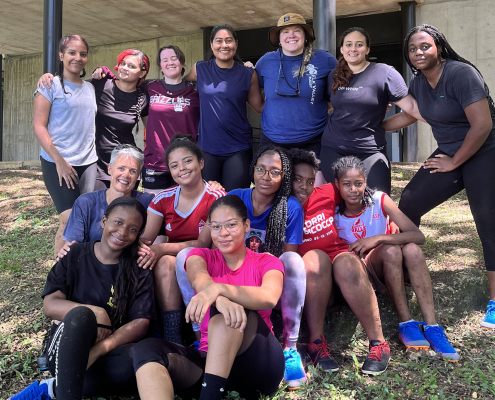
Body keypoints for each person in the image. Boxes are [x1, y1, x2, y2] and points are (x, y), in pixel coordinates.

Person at [382, 24, 495, 329]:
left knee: (488, 221)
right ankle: (406, 271)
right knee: (410, 201)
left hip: (484, 152)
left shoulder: (461, 74)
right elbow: (411, 114)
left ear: (439, 47)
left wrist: (455, 161)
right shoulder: (418, 82)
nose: (418, 52)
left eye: (425, 46)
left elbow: (482, 125)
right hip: (450, 153)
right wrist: (374, 126)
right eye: (412, 49)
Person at [174, 145, 308, 389]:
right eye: (261, 169)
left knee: (294, 262)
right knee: (185, 256)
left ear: (283, 177)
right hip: (228, 274)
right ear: (252, 170)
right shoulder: (235, 197)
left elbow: (286, 259)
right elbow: (204, 244)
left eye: (274, 172)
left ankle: (290, 347)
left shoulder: (291, 207)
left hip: (265, 276)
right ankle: (199, 337)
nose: (266, 177)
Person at [131, 195, 285, 400]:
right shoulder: (199, 256)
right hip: (210, 363)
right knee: (147, 349)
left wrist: (219, 291)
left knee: (230, 310)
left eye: (231, 225)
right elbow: (199, 279)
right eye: (216, 227)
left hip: (258, 363)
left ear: (247, 225)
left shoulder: (266, 261)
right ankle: (210, 390)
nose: (223, 233)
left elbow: (269, 297)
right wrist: (217, 295)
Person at [8, 197, 155, 400]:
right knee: (81, 316)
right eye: (118, 222)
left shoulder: (138, 267)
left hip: (107, 352)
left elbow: (141, 322)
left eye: (132, 229)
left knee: (143, 360)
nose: (122, 232)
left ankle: (54, 388)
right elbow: (50, 305)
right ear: (104, 221)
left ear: (139, 234)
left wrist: (99, 350)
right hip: (65, 347)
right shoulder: (74, 253)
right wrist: (95, 312)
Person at [333, 156, 459, 361]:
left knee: (413, 251)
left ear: (365, 181)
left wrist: (378, 238)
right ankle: (405, 323)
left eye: (358, 183)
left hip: (389, 265)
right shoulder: (334, 213)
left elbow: (418, 236)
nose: (353, 190)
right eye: (346, 184)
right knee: (392, 250)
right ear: (337, 185)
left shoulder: (379, 200)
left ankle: (433, 327)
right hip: (362, 275)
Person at [289, 148, 392, 376]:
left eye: (309, 181)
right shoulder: (281, 207)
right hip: (315, 278)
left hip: (346, 269)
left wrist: (388, 220)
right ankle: (316, 344)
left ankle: (379, 344)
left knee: (345, 262)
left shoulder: (327, 192)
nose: (304, 187)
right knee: (315, 259)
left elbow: (357, 192)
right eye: (297, 179)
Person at [140, 135, 226, 343]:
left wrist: (162, 249)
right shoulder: (163, 198)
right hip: (178, 256)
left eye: (188, 161)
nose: (182, 169)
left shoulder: (215, 196)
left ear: (201, 163)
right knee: (164, 261)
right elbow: (146, 239)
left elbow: (202, 244)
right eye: (174, 165)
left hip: (210, 259)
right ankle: (173, 335)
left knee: (181, 255)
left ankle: (199, 329)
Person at [319, 27, 424, 194]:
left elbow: (412, 110)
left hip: (370, 150)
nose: (353, 49)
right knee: (340, 203)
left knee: (378, 203)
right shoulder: (334, 75)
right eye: (348, 44)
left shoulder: (384, 73)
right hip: (333, 148)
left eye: (359, 44)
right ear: (341, 49)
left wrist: (381, 125)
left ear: (367, 49)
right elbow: (327, 106)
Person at [38, 49, 150, 191]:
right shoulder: (100, 85)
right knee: (96, 208)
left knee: (123, 209)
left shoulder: (144, 97)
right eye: (123, 64)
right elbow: (71, 86)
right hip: (96, 161)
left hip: (126, 162)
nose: (125, 68)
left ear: (141, 73)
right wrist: (50, 78)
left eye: (132, 66)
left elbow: (151, 132)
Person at [94, 45, 200, 194]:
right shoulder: (150, 86)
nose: (170, 62)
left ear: (182, 63)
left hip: (186, 162)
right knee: (155, 213)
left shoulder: (195, 89)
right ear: (160, 67)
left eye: (174, 59)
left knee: (186, 213)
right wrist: (105, 72)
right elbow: (127, 79)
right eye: (165, 60)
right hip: (155, 162)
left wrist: (244, 68)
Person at [255, 13, 338, 186]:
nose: (291, 35)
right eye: (285, 32)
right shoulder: (265, 62)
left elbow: (338, 94)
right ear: (279, 38)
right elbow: (255, 91)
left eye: (296, 31)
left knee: (313, 195)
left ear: (305, 36)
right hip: (273, 142)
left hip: (314, 141)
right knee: (272, 195)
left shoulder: (325, 60)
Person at [33, 35, 98, 256]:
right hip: (57, 161)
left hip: (88, 162)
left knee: (84, 219)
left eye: (82, 54)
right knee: (68, 218)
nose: (77, 58)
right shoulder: (50, 85)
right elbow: (38, 127)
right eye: (71, 52)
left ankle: (75, 273)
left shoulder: (90, 88)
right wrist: (59, 161)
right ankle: (58, 280)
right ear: (61, 56)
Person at [183, 24, 264, 191]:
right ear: (212, 45)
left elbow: (259, 107)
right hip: (207, 148)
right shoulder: (200, 69)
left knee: (233, 200)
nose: (224, 45)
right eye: (219, 41)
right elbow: (181, 85)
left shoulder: (248, 73)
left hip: (238, 148)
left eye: (229, 40)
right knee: (209, 200)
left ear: (236, 43)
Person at [57, 145, 155, 262]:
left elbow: (154, 243)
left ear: (139, 175)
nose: (126, 175)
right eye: (121, 168)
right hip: (91, 265)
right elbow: (72, 245)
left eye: (133, 171)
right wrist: (66, 253)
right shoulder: (86, 203)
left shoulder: (148, 202)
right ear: (109, 169)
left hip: (131, 266)